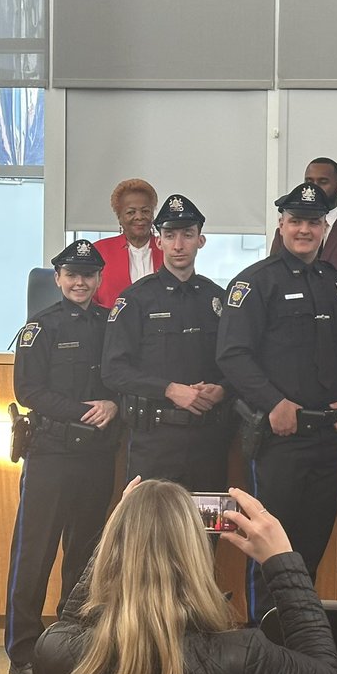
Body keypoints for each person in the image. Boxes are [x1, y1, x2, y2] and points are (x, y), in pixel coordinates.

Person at [32, 479, 337, 674]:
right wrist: (282, 560)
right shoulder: (243, 659)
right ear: (196, 555)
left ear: (111, 550)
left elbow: (73, 622)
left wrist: (121, 536)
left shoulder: (55, 652)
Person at [216, 182, 337, 620]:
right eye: (295, 221)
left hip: (329, 441)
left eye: (313, 222)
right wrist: (273, 403)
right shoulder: (254, 283)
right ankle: (263, 640)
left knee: (309, 553)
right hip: (278, 442)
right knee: (269, 551)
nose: (304, 229)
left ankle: (300, 640)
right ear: (281, 225)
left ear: (325, 227)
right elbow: (232, 354)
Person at [5, 240, 118, 674]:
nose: (79, 282)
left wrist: (113, 404)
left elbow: (120, 377)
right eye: (71, 274)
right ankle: (23, 651)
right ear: (57, 279)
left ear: (98, 279)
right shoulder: (41, 327)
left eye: (88, 275)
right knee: (34, 555)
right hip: (51, 454)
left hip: (96, 455)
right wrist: (83, 411)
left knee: (85, 557)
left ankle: (71, 644)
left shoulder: (112, 324)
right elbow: (28, 391)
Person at [102, 194, 232, 491]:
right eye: (170, 235)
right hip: (155, 438)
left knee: (204, 533)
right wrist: (171, 390)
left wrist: (223, 389)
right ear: (157, 241)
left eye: (187, 235)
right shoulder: (135, 300)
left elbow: (235, 360)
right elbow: (113, 370)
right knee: (150, 534)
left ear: (201, 240)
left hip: (208, 439)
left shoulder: (217, 299)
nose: (178, 245)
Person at [268, 157, 337, 322]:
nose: (314, 188)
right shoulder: (288, 231)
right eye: (309, 181)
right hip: (289, 333)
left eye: (323, 182)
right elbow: (272, 282)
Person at [92, 178, 163, 309]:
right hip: (110, 327)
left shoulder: (167, 249)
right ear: (119, 217)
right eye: (131, 212)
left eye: (145, 211)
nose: (139, 217)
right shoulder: (99, 251)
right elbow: (90, 301)